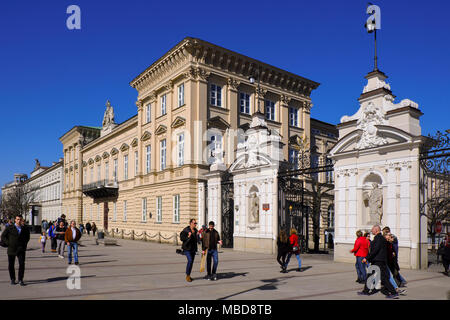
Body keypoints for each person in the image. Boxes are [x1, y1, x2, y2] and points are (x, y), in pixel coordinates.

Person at [359, 225, 399, 299]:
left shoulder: (379, 238)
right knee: (370, 275)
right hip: (376, 260)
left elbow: (375, 250)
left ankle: (393, 292)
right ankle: (366, 291)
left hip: (379, 261)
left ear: (376, 230)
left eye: (372, 230)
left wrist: (367, 258)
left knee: (383, 277)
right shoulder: (379, 238)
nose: (371, 231)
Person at [1, 215, 30, 286]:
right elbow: (3, 236)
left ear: (22, 220)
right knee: (11, 265)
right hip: (11, 249)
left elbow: (27, 237)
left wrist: (24, 244)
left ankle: (20, 279)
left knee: (22, 264)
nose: (19, 221)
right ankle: (12, 279)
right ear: (15, 220)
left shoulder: (25, 228)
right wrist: (8, 243)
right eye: (17, 219)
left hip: (21, 249)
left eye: (20, 219)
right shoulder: (10, 228)